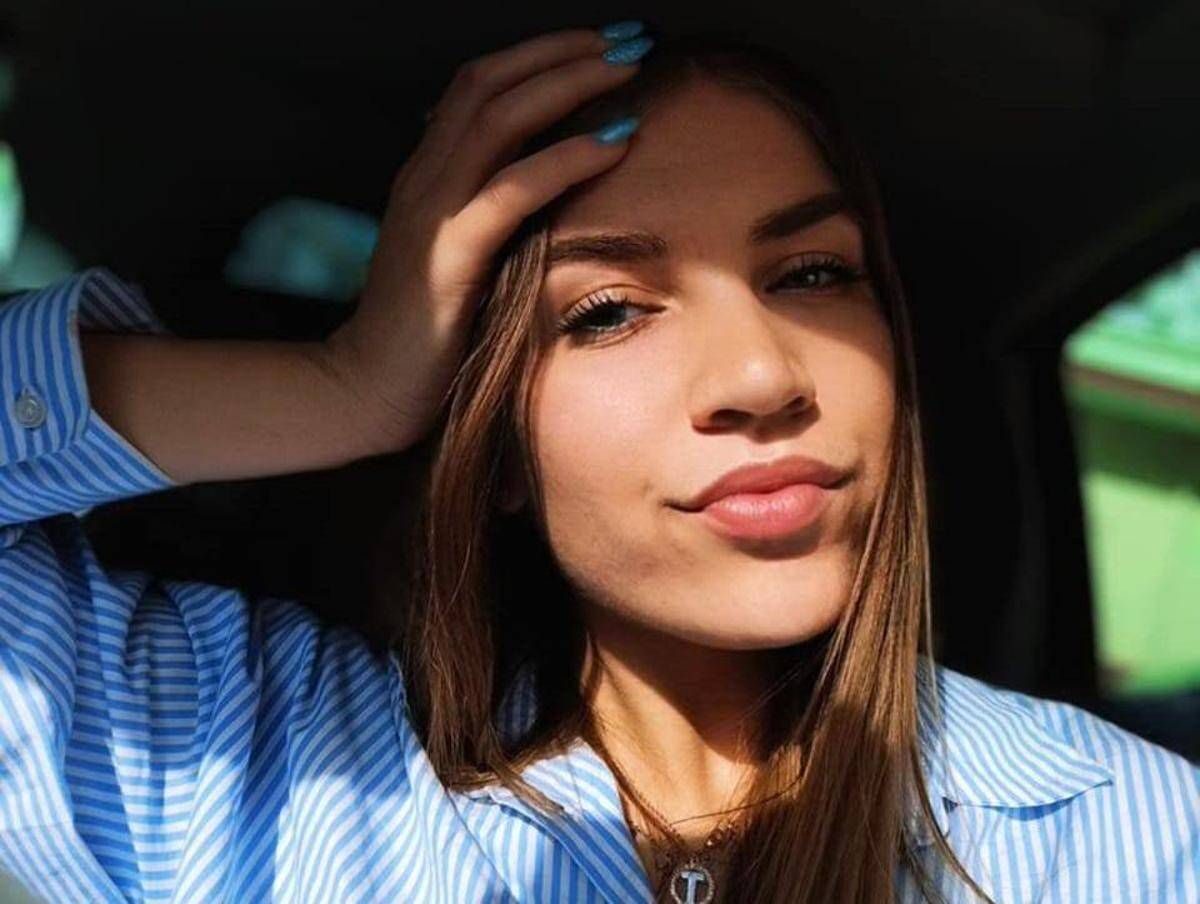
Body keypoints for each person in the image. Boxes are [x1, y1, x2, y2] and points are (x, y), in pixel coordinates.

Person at [0, 21, 1196, 904]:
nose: (763, 374)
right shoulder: (238, 766)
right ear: (496, 449)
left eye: (813, 274)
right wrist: (347, 385)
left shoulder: (1131, 836)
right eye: (609, 310)